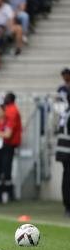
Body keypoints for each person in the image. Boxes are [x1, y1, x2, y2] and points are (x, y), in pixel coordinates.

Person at [2, 92, 22, 201]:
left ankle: (9, 193)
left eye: (5, 97)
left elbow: (8, 131)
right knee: (6, 168)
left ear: (9, 99)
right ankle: (8, 193)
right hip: (9, 141)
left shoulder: (11, 110)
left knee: (6, 168)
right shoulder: (11, 109)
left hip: (9, 142)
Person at [56, 89, 70, 217]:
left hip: (62, 150)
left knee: (66, 178)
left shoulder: (65, 112)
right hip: (67, 150)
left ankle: (67, 206)